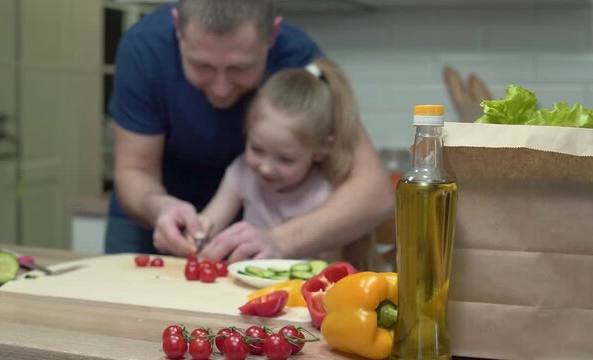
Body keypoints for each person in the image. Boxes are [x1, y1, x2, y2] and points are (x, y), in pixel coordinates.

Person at [106, 0, 393, 261]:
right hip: (151, 215)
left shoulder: (297, 55)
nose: (220, 88)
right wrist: (159, 208)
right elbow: (135, 171)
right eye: (201, 65)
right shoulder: (144, 48)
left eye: (239, 69)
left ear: (272, 35)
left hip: (257, 231)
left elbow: (374, 192)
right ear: (177, 28)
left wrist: (279, 240)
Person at [197, 58, 374, 264]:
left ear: (321, 150)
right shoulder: (242, 172)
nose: (265, 167)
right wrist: (194, 233)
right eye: (256, 149)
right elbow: (208, 224)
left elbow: (330, 273)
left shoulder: (324, 195)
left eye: (285, 159)